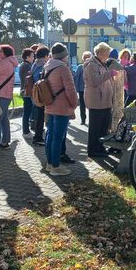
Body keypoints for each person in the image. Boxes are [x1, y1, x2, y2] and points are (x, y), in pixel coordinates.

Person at [42, 43, 78, 175]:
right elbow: (70, 90)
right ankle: (56, 167)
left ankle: (50, 164)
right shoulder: (63, 69)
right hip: (62, 107)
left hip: (49, 105)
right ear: (64, 56)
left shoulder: (47, 67)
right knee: (58, 137)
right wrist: (74, 104)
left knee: (50, 135)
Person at [83, 42, 115, 157]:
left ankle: (100, 148)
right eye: (107, 53)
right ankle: (93, 150)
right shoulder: (91, 64)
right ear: (100, 53)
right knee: (95, 128)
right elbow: (94, 81)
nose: (108, 55)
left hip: (105, 102)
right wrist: (110, 74)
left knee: (103, 128)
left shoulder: (102, 64)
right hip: (96, 101)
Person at [0, 44, 19, 152]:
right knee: (4, 119)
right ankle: (5, 142)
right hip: (5, 94)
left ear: (5, 53)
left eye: (0, 51)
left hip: (1, 94)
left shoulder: (5, 63)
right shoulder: (9, 62)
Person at [30, 46, 50, 146]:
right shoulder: (41, 64)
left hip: (36, 92)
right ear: (45, 55)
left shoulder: (35, 63)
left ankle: (37, 136)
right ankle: (38, 137)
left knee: (39, 115)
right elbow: (39, 78)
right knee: (40, 116)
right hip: (41, 93)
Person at [107, 49, 125, 134]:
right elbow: (120, 84)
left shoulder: (104, 65)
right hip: (116, 94)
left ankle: (106, 129)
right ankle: (114, 130)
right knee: (115, 114)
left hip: (106, 94)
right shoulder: (119, 67)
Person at [19, 48, 35, 137]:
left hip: (25, 91)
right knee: (27, 112)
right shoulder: (27, 66)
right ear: (27, 57)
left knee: (27, 111)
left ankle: (26, 130)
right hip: (27, 92)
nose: (33, 58)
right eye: (32, 56)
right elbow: (28, 80)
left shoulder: (24, 65)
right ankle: (26, 131)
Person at [74, 51, 91, 125]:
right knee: (82, 105)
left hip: (90, 90)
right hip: (81, 90)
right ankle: (83, 119)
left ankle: (91, 120)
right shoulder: (80, 67)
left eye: (88, 58)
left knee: (91, 106)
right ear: (83, 59)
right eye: (85, 58)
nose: (87, 59)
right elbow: (77, 78)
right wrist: (76, 89)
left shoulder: (92, 67)